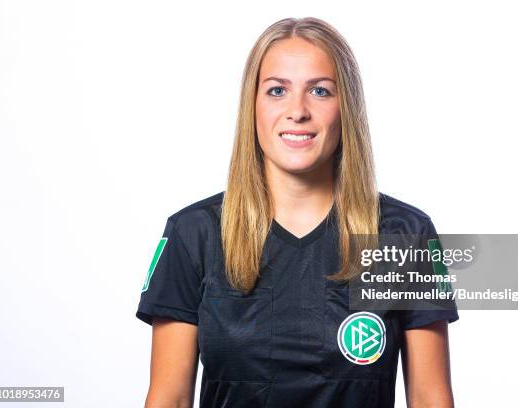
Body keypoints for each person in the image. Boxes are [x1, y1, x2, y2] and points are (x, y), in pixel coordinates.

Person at [136, 17, 459, 408]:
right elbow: (169, 399)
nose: (298, 111)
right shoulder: (194, 233)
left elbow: (429, 399)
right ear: (252, 105)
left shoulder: (405, 234)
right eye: (277, 91)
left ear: (347, 108)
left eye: (320, 91)